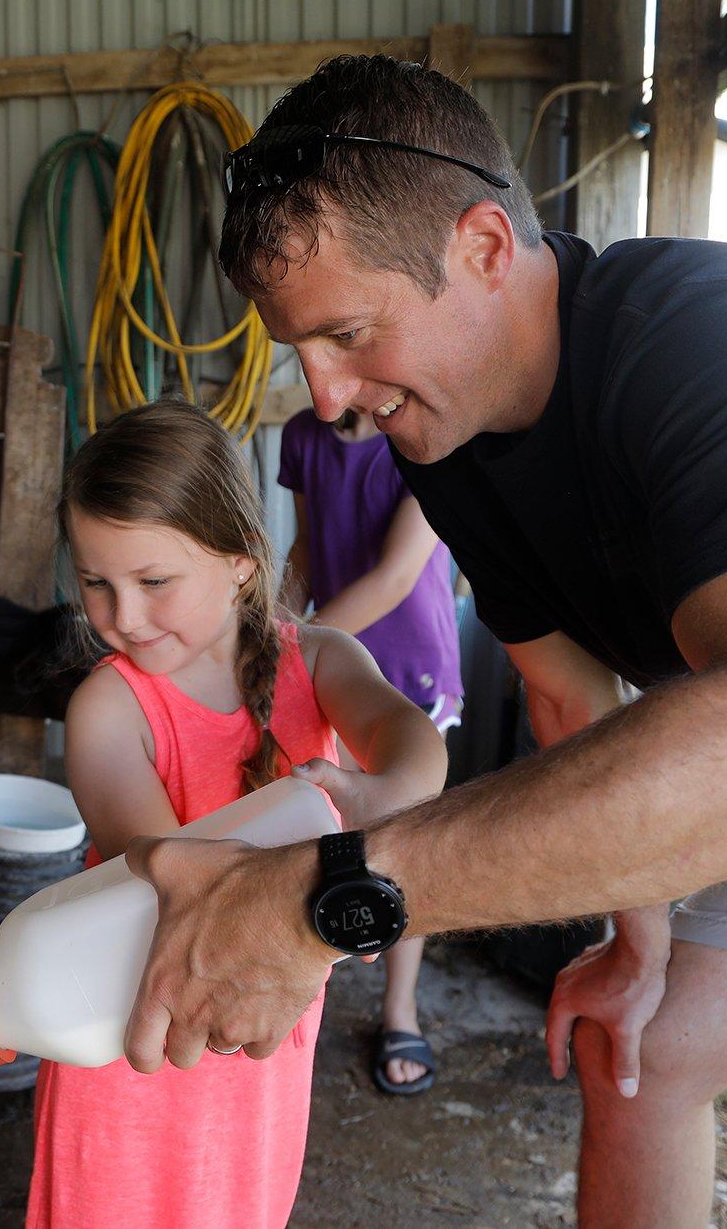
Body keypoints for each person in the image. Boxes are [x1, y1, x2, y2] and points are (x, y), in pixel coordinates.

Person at [113, 54, 727, 1229]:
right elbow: (570, 704)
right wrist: (635, 939)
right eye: (299, 350)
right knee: (639, 1051)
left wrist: (327, 897)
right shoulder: (445, 447)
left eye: (349, 332)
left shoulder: (709, 340)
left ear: (481, 246)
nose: (323, 398)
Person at [27, 400, 447, 1229]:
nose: (123, 616)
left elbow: (410, 734)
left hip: (260, 1047)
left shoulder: (319, 657)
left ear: (242, 562)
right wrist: (341, 876)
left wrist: (395, 792)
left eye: (153, 582)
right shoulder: (109, 708)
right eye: (95, 583)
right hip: (134, 1043)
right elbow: (188, 877)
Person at [278, 402, 463, 1093]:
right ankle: (306, 987)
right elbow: (304, 547)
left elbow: (394, 576)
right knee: (329, 826)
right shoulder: (302, 436)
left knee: (401, 840)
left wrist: (291, 645)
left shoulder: (420, 437)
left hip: (406, 669)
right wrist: (277, 620)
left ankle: (399, 1005)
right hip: (329, 669)